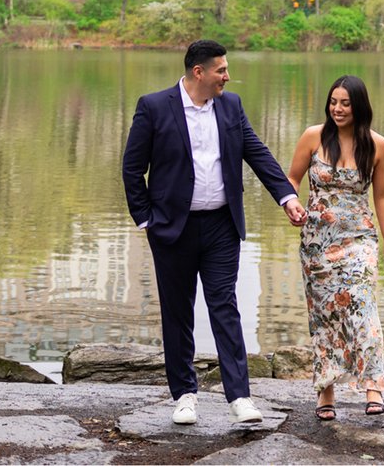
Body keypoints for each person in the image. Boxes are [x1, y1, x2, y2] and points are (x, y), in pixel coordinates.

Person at [121, 39, 304, 428]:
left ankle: (239, 396)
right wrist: (146, 220)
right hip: (173, 229)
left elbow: (256, 152)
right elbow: (132, 168)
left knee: (224, 306)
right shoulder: (154, 107)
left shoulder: (231, 105)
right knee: (177, 312)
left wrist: (286, 197)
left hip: (222, 224)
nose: (227, 76)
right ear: (198, 72)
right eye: (221, 70)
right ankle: (184, 395)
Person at [286, 74, 384, 421]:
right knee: (324, 317)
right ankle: (326, 391)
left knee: (363, 306)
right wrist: (292, 204)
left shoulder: (377, 145)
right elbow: (292, 179)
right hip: (317, 240)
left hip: (359, 239)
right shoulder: (313, 137)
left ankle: (373, 386)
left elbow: (382, 195)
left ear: (359, 105)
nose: (338, 109)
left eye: (345, 103)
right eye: (334, 102)